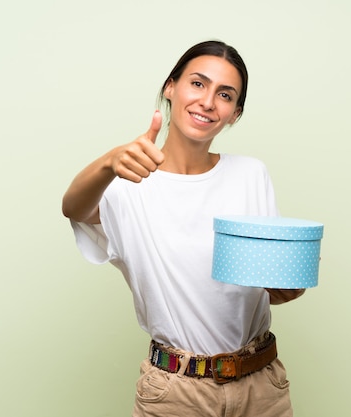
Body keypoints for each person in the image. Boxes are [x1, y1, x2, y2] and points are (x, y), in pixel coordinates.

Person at [62, 40, 305, 417]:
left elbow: (265, 285)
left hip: (262, 386)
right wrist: (108, 163)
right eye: (197, 84)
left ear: (235, 113)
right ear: (170, 88)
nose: (208, 101)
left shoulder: (251, 174)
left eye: (225, 94)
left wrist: (285, 284)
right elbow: (73, 208)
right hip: (176, 392)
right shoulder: (128, 181)